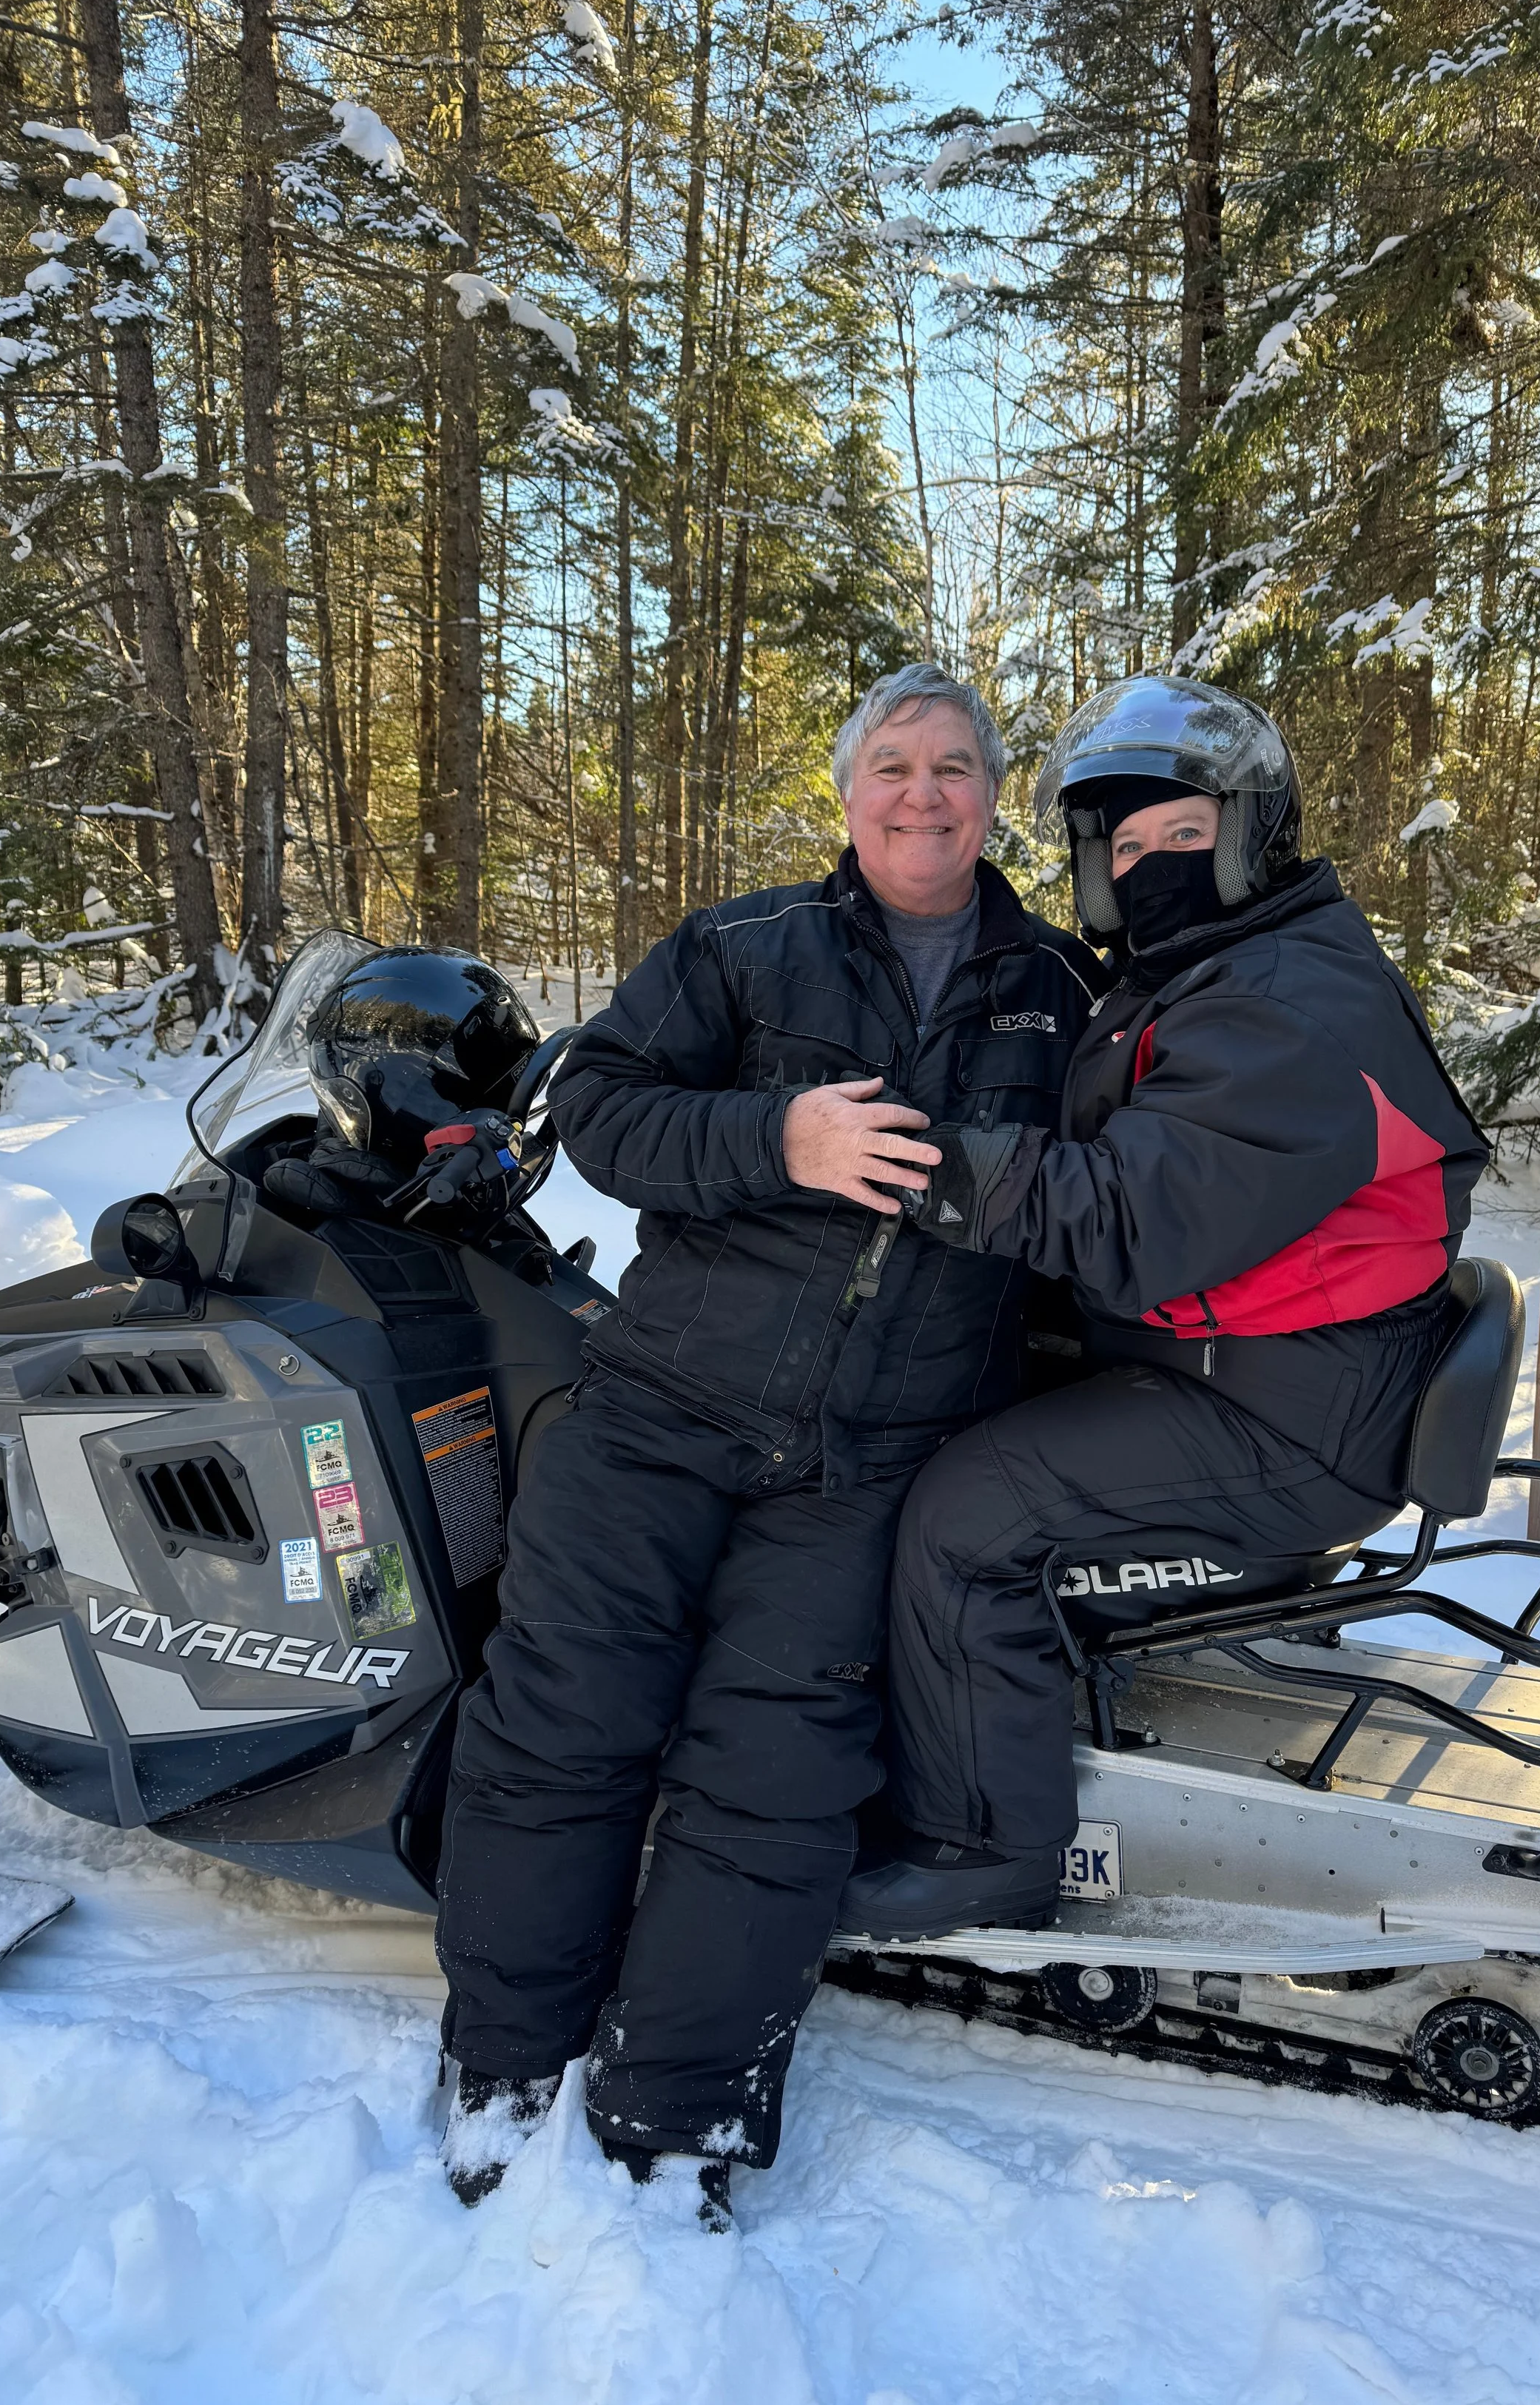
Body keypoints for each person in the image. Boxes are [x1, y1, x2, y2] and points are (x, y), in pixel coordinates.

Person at [432, 662, 1101, 2221]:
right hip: (660, 1405)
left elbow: (1112, 1197)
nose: (922, 792)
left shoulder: (1057, 992)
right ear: (845, 794)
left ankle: (680, 2108)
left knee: (776, 1771)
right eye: (891, 764)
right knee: (559, 1721)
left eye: (952, 765)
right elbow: (594, 1106)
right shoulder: (745, 944)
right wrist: (774, 1138)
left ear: (991, 795)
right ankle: (506, 2054)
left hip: (869, 1460)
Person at [836, 675, 1490, 1941]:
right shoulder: (1227, 966)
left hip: (1285, 1418)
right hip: (1253, 1365)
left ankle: (990, 1845)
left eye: (1182, 837)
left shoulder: (1285, 1004)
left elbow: (1131, 1222)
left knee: (966, 1524)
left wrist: (915, 1160)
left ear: (1248, 835)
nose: (1149, 870)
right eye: (1124, 847)